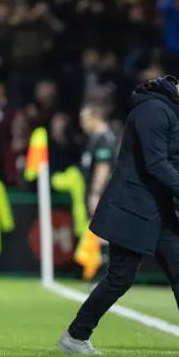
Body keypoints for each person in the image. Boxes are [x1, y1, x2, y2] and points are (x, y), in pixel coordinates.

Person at [57, 67, 179, 356]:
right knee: (120, 277)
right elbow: (156, 165)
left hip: (157, 206)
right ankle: (75, 336)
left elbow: (175, 167)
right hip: (132, 206)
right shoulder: (153, 111)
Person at [79, 103, 117, 282]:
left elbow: (102, 168)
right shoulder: (96, 138)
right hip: (96, 192)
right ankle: (100, 273)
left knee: (102, 233)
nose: (82, 123)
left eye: (85, 119)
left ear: (95, 117)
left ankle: (104, 275)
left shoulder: (104, 138)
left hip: (103, 193)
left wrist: (95, 193)